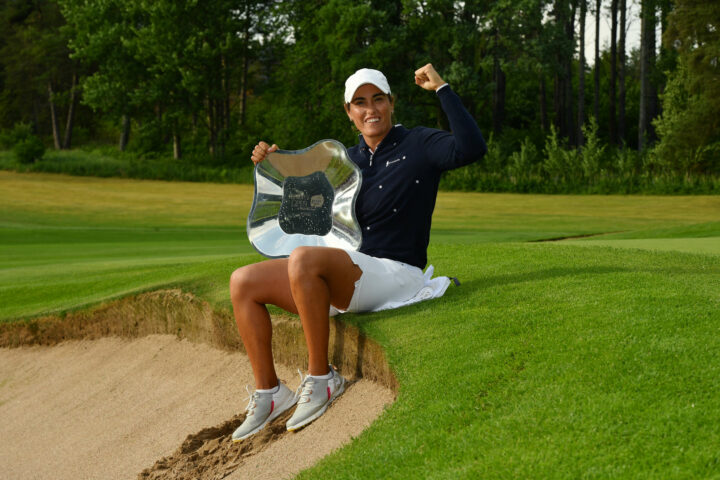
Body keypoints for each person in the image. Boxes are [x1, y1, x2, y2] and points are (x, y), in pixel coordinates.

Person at [229, 63, 487, 442]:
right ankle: (270, 394)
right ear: (349, 113)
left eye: (378, 99)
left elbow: (471, 148)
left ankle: (322, 379)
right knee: (243, 282)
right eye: (360, 103)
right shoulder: (344, 162)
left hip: (396, 272)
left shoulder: (419, 143)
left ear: (391, 103)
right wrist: (277, 167)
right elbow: (307, 215)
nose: (371, 110)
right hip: (349, 274)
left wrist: (443, 89)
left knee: (302, 259)